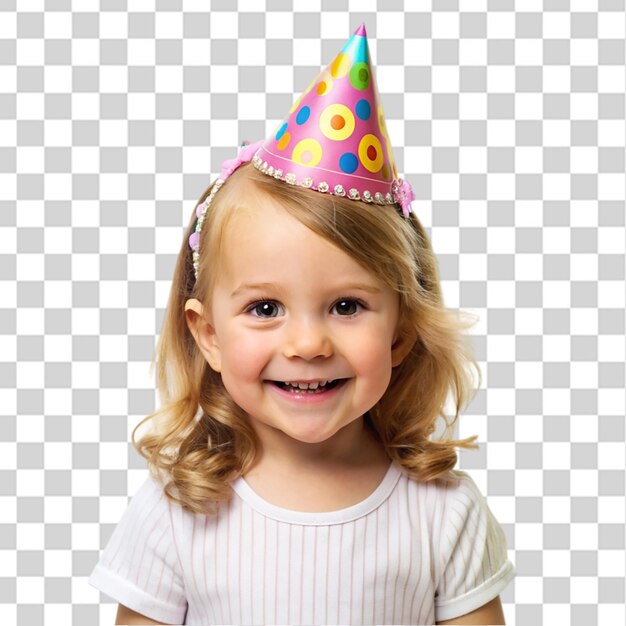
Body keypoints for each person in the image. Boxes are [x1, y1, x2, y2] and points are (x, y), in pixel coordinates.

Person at [88, 24, 515, 626]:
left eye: (346, 306)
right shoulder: (177, 510)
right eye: (265, 309)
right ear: (207, 333)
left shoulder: (443, 513)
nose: (308, 344)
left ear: (399, 334)